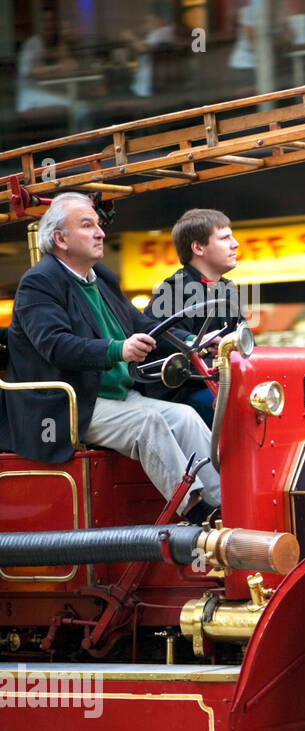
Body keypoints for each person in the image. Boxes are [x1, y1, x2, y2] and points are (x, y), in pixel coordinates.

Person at [0, 193, 220, 524]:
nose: (100, 232)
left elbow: (141, 324)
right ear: (60, 239)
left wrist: (193, 341)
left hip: (113, 396)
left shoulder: (99, 276)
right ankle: (196, 512)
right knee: (149, 423)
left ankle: (227, 505)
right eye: (87, 225)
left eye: (98, 225)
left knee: (186, 416)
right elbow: (55, 345)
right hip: (67, 403)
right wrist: (117, 349)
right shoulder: (39, 283)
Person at [142, 209, 244, 426]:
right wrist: (202, 343)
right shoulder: (174, 289)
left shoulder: (227, 288)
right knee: (242, 410)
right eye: (225, 238)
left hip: (219, 384)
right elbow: (155, 335)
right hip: (181, 394)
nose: (235, 244)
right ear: (198, 247)